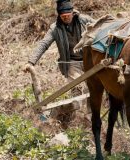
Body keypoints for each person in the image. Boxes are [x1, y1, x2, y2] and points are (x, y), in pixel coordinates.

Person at [25, 0, 95, 128]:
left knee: (92, 88)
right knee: (77, 87)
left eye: (68, 15)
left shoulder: (85, 20)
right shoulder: (55, 28)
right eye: (63, 17)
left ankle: (90, 116)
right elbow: (43, 44)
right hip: (71, 62)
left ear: (73, 13)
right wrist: (31, 61)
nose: (66, 18)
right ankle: (77, 118)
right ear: (59, 16)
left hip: (89, 60)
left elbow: (101, 29)